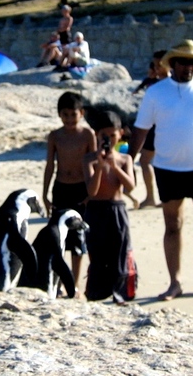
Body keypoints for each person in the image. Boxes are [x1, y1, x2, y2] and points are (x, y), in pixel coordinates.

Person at [128, 39, 193, 301]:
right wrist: (128, 161)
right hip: (168, 167)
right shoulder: (155, 92)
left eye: (192, 62)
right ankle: (174, 281)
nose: (189, 67)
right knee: (173, 225)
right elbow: (141, 129)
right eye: (184, 62)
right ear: (172, 64)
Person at [43, 92, 97, 295]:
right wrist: (45, 194)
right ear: (59, 115)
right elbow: (50, 165)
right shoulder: (55, 136)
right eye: (65, 115)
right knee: (58, 239)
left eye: (73, 115)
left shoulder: (87, 135)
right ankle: (57, 282)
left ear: (81, 113)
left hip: (81, 189)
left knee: (78, 238)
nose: (69, 119)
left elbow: (93, 164)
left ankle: (74, 283)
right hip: (61, 188)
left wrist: (92, 193)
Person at [83, 110, 137, 304]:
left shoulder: (125, 159)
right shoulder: (88, 160)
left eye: (112, 135)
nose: (108, 139)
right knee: (97, 251)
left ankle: (121, 292)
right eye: (104, 136)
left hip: (117, 208)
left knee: (120, 249)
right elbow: (92, 191)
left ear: (121, 134)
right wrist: (99, 165)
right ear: (97, 135)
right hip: (96, 211)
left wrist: (114, 167)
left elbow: (130, 186)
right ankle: (97, 292)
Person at [131, 50, 169, 208]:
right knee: (150, 162)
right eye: (155, 64)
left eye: (159, 64)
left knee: (149, 161)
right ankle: (157, 197)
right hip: (155, 127)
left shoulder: (164, 84)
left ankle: (155, 197)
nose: (156, 67)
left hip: (159, 128)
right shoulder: (159, 82)